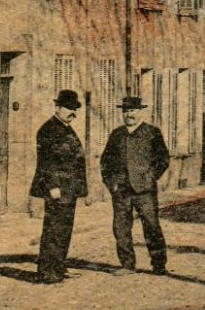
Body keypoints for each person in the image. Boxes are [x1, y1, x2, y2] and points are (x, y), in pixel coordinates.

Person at [100, 95, 171, 276]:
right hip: (121, 191)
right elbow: (105, 162)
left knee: (151, 226)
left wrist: (150, 177)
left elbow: (163, 159)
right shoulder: (116, 135)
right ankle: (127, 264)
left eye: (132, 110)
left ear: (140, 112)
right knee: (121, 227)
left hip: (144, 190)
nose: (128, 114)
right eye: (125, 111)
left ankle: (159, 264)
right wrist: (111, 184)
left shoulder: (152, 132)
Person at [30, 90, 90, 284]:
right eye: (68, 108)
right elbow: (46, 162)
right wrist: (52, 186)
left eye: (75, 109)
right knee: (53, 230)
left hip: (69, 190)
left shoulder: (65, 128)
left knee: (64, 229)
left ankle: (58, 266)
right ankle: (47, 271)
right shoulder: (49, 130)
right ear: (57, 108)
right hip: (57, 189)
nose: (72, 112)